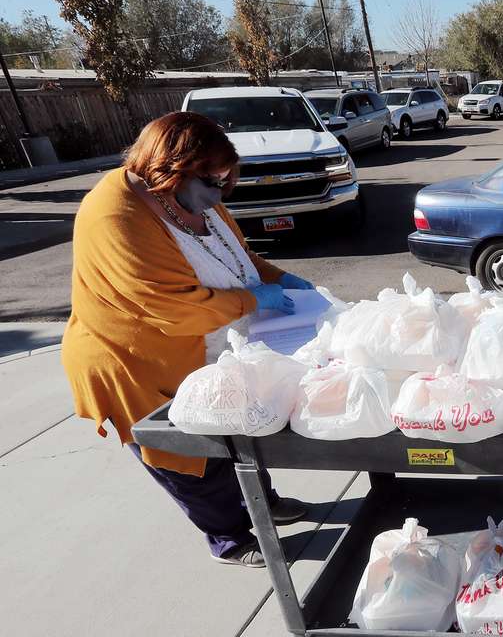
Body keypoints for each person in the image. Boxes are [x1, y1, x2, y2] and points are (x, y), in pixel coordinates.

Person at [61, 111, 317, 568]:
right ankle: (230, 537)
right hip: (138, 363)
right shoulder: (114, 214)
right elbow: (170, 308)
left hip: (207, 349)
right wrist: (253, 300)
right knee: (191, 458)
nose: (219, 195)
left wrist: (282, 279)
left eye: (223, 181)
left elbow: (238, 258)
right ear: (168, 168)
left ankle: (263, 502)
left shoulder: (198, 197)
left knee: (238, 435)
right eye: (211, 182)